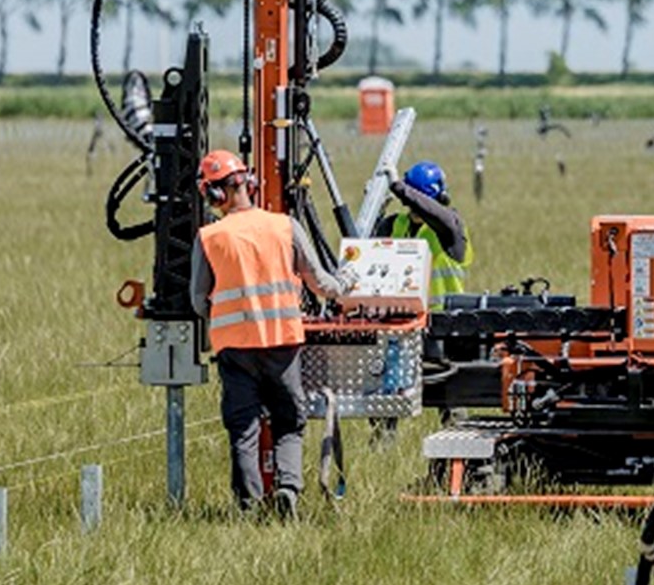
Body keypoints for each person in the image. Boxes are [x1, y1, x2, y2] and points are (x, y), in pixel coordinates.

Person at [188, 149, 351, 517]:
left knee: (243, 428)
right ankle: (289, 490)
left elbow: (199, 302)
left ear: (214, 195)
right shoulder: (285, 226)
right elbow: (322, 284)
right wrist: (348, 283)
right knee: (289, 422)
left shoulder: (210, 237)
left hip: (235, 351)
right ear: (247, 182)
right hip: (283, 344)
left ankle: (248, 506)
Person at [383, 160, 472, 299]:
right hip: (406, 317)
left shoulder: (451, 226)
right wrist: (377, 212)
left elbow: (439, 215)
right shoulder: (396, 224)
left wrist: (399, 187)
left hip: (446, 316)